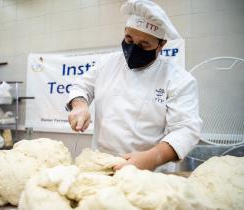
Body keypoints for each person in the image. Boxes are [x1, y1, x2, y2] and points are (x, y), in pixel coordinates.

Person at [67, 0, 202, 171]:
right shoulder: (106, 63)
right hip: (101, 165)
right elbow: (81, 86)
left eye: (144, 44)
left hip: (148, 172)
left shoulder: (178, 79)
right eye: (128, 39)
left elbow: (186, 129)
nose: (133, 49)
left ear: (161, 45)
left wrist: (153, 158)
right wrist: (79, 105)